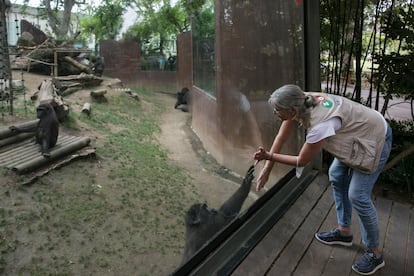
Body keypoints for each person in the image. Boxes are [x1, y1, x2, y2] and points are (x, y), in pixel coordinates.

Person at [253, 84, 392, 275]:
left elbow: (302, 160)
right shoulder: (301, 99)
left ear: (292, 110)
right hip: (354, 136)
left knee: (357, 195)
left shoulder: (320, 124)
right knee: (336, 174)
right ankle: (344, 232)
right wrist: (267, 169)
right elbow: (281, 136)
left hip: (375, 138)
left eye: (277, 110)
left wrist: (269, 157)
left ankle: (375, 253)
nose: (275, 113)